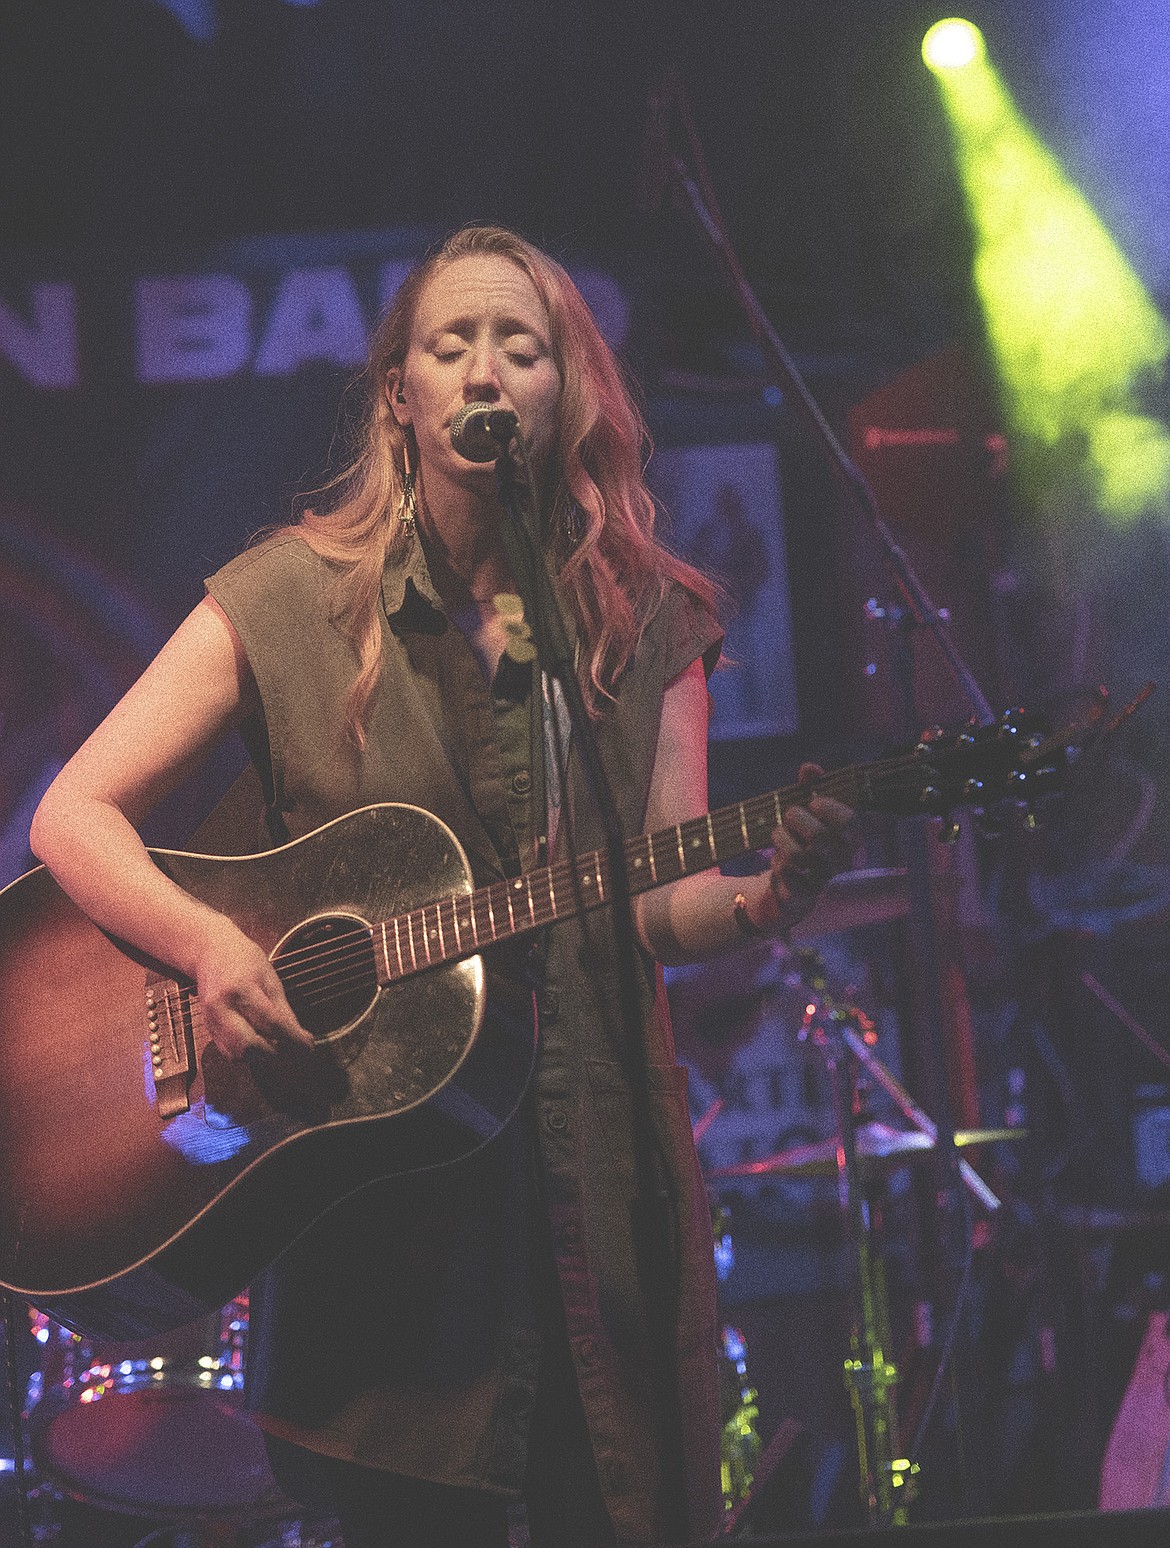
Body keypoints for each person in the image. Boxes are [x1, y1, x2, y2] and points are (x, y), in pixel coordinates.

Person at [30, 225, 859, 1547]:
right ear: (398, 392)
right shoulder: (287, 598)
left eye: (518, 346)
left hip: (595, 1185)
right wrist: (207, 948)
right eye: (449, 342)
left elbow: (652, 899)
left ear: (564, 392)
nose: (483, 369)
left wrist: (761, 900)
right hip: (382, 1257)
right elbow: (72, 813)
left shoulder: (648, 621)